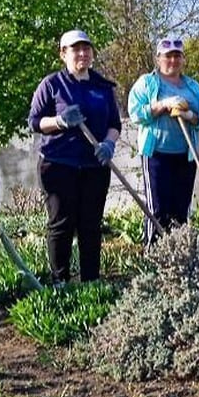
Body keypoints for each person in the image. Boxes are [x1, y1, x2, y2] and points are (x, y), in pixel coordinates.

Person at [28, 30, 121, 284]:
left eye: (86, 48)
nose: (82, 53)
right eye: (75, 49)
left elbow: (115, 124)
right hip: (58, 165)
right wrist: (59, 121)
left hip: (94, 165)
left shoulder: (102, 86)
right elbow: (35, 122)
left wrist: (108, 144)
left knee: (91, 226)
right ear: (63, 54)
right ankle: (60, 282)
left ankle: (91, 281)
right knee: (61, 224)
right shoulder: (52, 85)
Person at [127, 38, 199, 245]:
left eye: (177, 56)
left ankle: (178, 256)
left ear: (183, 59)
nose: (173, 60)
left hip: (185, 155)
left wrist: (190, 116)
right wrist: (162, 106)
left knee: (180, 209)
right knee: (158, 209)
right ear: (158, 58)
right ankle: (154, 254)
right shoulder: (147, 83)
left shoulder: (192, 86)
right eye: (168, 56)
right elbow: (136, 114)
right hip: (156, 154)